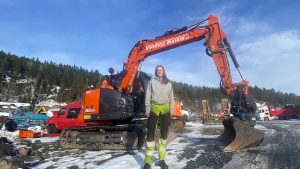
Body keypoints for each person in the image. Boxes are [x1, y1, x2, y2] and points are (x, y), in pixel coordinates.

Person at [143, 65, 174, 169]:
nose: (159, 71)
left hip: (165, 108)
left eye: (161, 70)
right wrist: (147, 109)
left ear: (163, 71)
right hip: (154, 108)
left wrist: (171, 110)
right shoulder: (152, 81)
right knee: (150, 134)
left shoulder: (169, 83)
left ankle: (161, 160)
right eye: (157, 70)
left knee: (164, 135)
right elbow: (147, 95)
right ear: (156, 72)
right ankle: (148, 162)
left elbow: (172, 98)